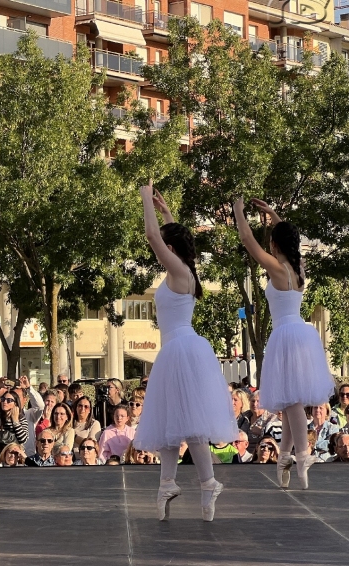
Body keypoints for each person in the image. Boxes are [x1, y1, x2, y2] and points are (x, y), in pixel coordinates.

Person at [134, 184, 237, 523]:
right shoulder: (184, 270)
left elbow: (151, 236)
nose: (158, 248)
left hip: (179, 348)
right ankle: (183, 483)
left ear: (171, 247)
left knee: (184, 421)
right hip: (181, 348)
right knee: (173, 420)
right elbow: (168, 238)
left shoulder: (179, 272)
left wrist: (146, 197)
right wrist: (166, 213)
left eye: (166, 244)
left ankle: (195, 482)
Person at [233, 197, 335, 489]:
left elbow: (246, 239)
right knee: (294, 401)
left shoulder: (277, 268)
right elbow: (291, 239)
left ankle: (302, 454)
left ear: (275, 245)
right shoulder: (298, 269)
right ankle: (286, 457)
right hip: (301, 334)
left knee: (291, 402)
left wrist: (239, 211)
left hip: (285, 335)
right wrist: (274, 215)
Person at [0, 390, 28, 457]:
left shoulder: (21, 419)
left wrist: (15, 421)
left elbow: (23, 439)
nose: (5, 402)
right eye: (3, 399)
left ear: (15, 404)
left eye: (9, 400)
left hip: (14, 454)